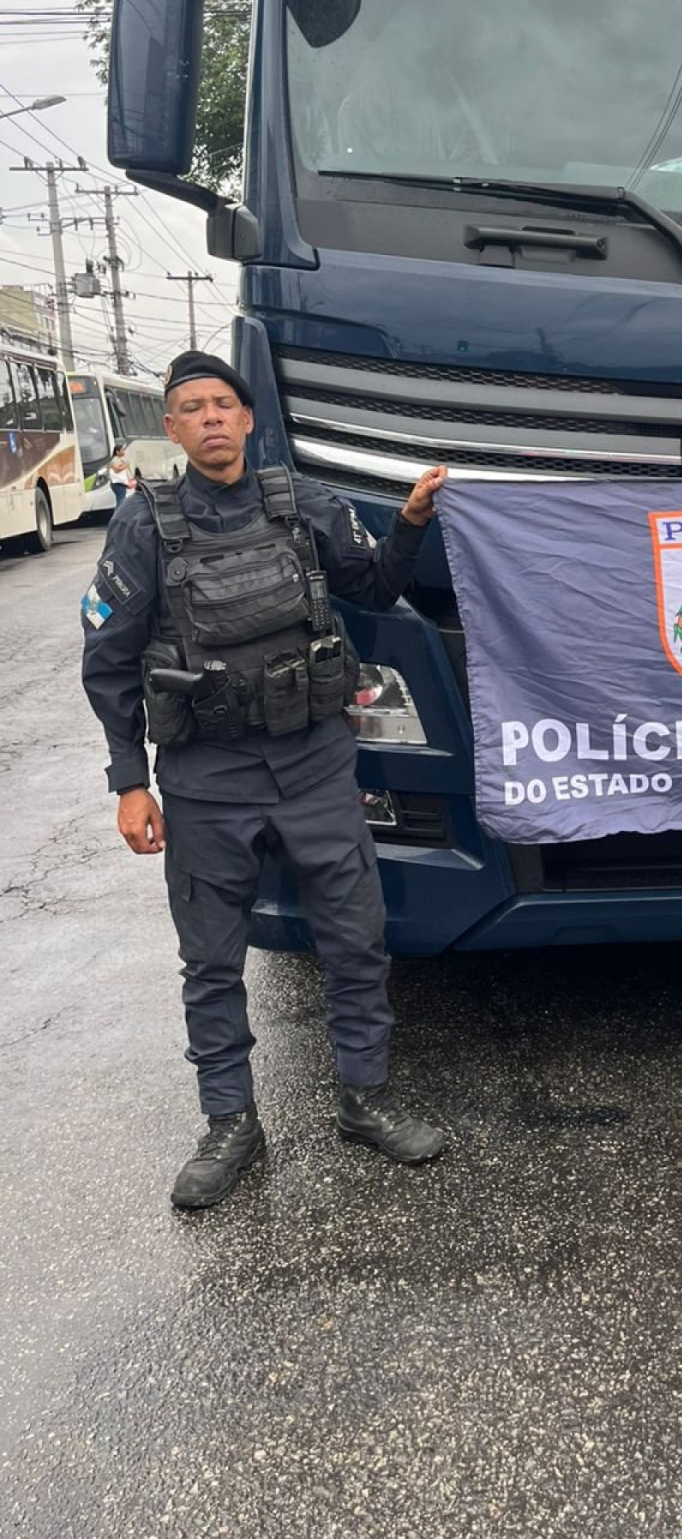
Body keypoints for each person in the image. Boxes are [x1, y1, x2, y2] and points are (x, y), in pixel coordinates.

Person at [80, 350, 451, 1209]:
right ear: (171, 429)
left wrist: (410, 521)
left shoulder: (300, 501)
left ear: (248, 420)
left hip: (314, 767)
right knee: (211, 961)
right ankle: (229, 1124)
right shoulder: (143, 524)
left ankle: (364, 1099)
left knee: (354, 942)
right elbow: (108, 660)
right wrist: (130, 783)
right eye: (192, 408)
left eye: (224, 404)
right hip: (206, 780)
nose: (210, 417)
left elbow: (373, 585)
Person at [109, 443, 133, 507]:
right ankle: (118, 513)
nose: (124, 451)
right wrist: (125, 465)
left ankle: (119, 512)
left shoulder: (121, 459)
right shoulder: (115, 459)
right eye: (122, 450)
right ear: (117, 452)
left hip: (121, 483)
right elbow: (116, 470)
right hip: (118, 483)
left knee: (121, 500)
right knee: (121, 501)